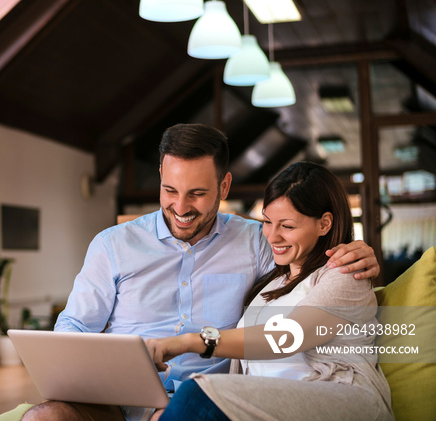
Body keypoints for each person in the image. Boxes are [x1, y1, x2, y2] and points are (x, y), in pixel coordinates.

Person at [23, 123, 380, 421]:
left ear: (224, 187)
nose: (180, 207)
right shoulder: (112, 245)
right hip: (124, 403)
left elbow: (311, 279)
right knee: (45, 417)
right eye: (170, 190)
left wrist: (357, 251)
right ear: (160, 175)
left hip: (208, 399)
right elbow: (74, 328)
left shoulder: (257, 242)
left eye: (196, 194)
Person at [145, 161, 392, 420]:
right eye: (267, 222)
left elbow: (288, 337)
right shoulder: (273, 282)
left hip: (341, 396)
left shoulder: (345, 275)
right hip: (273, 404)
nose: (272, 237)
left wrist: (188, 342)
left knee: (197, 393)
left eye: (287, 226)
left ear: (324, 224)